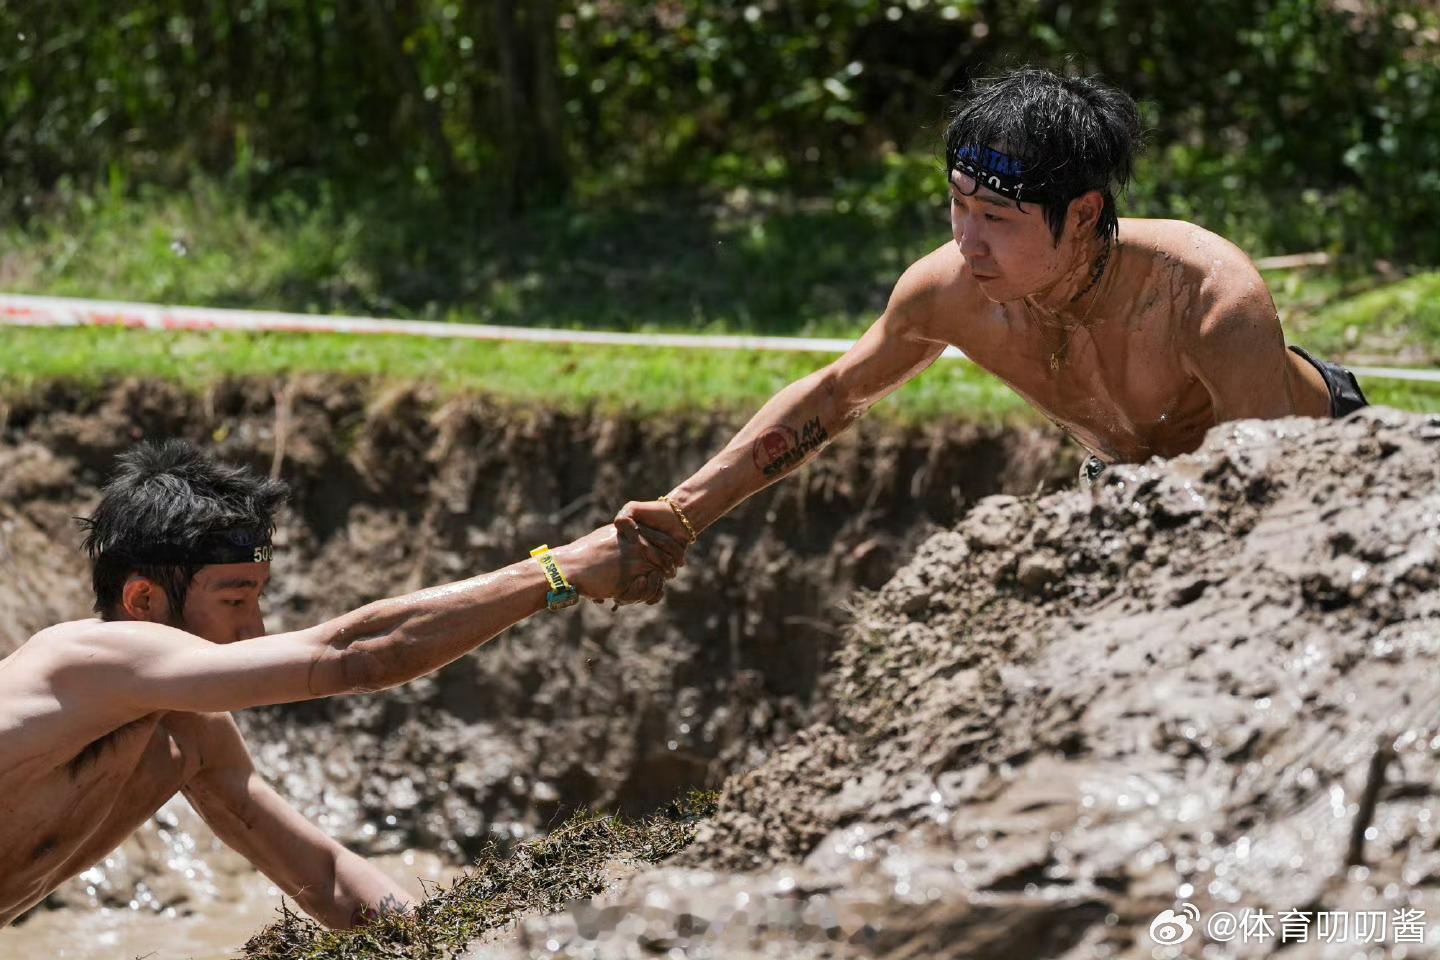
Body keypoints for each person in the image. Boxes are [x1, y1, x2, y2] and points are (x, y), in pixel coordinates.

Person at [613, 67, 1367, 559]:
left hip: (1323, 466)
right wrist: (682, 515)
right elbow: (839, 394)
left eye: (998, 219)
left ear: (1081, 216)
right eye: (958, 206)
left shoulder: (1206, 297)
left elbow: (1274, 490)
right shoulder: (948, 292)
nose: (967, 241)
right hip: (1133, 489)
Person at [0, 439, 671, 929]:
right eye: (235, 601)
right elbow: (356, 656)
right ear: (144, 601)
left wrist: (438, 944)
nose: (256, 630)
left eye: (259, 600)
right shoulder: (79, 659)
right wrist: (558, 572)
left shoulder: (190, 735)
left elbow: (321, 878)